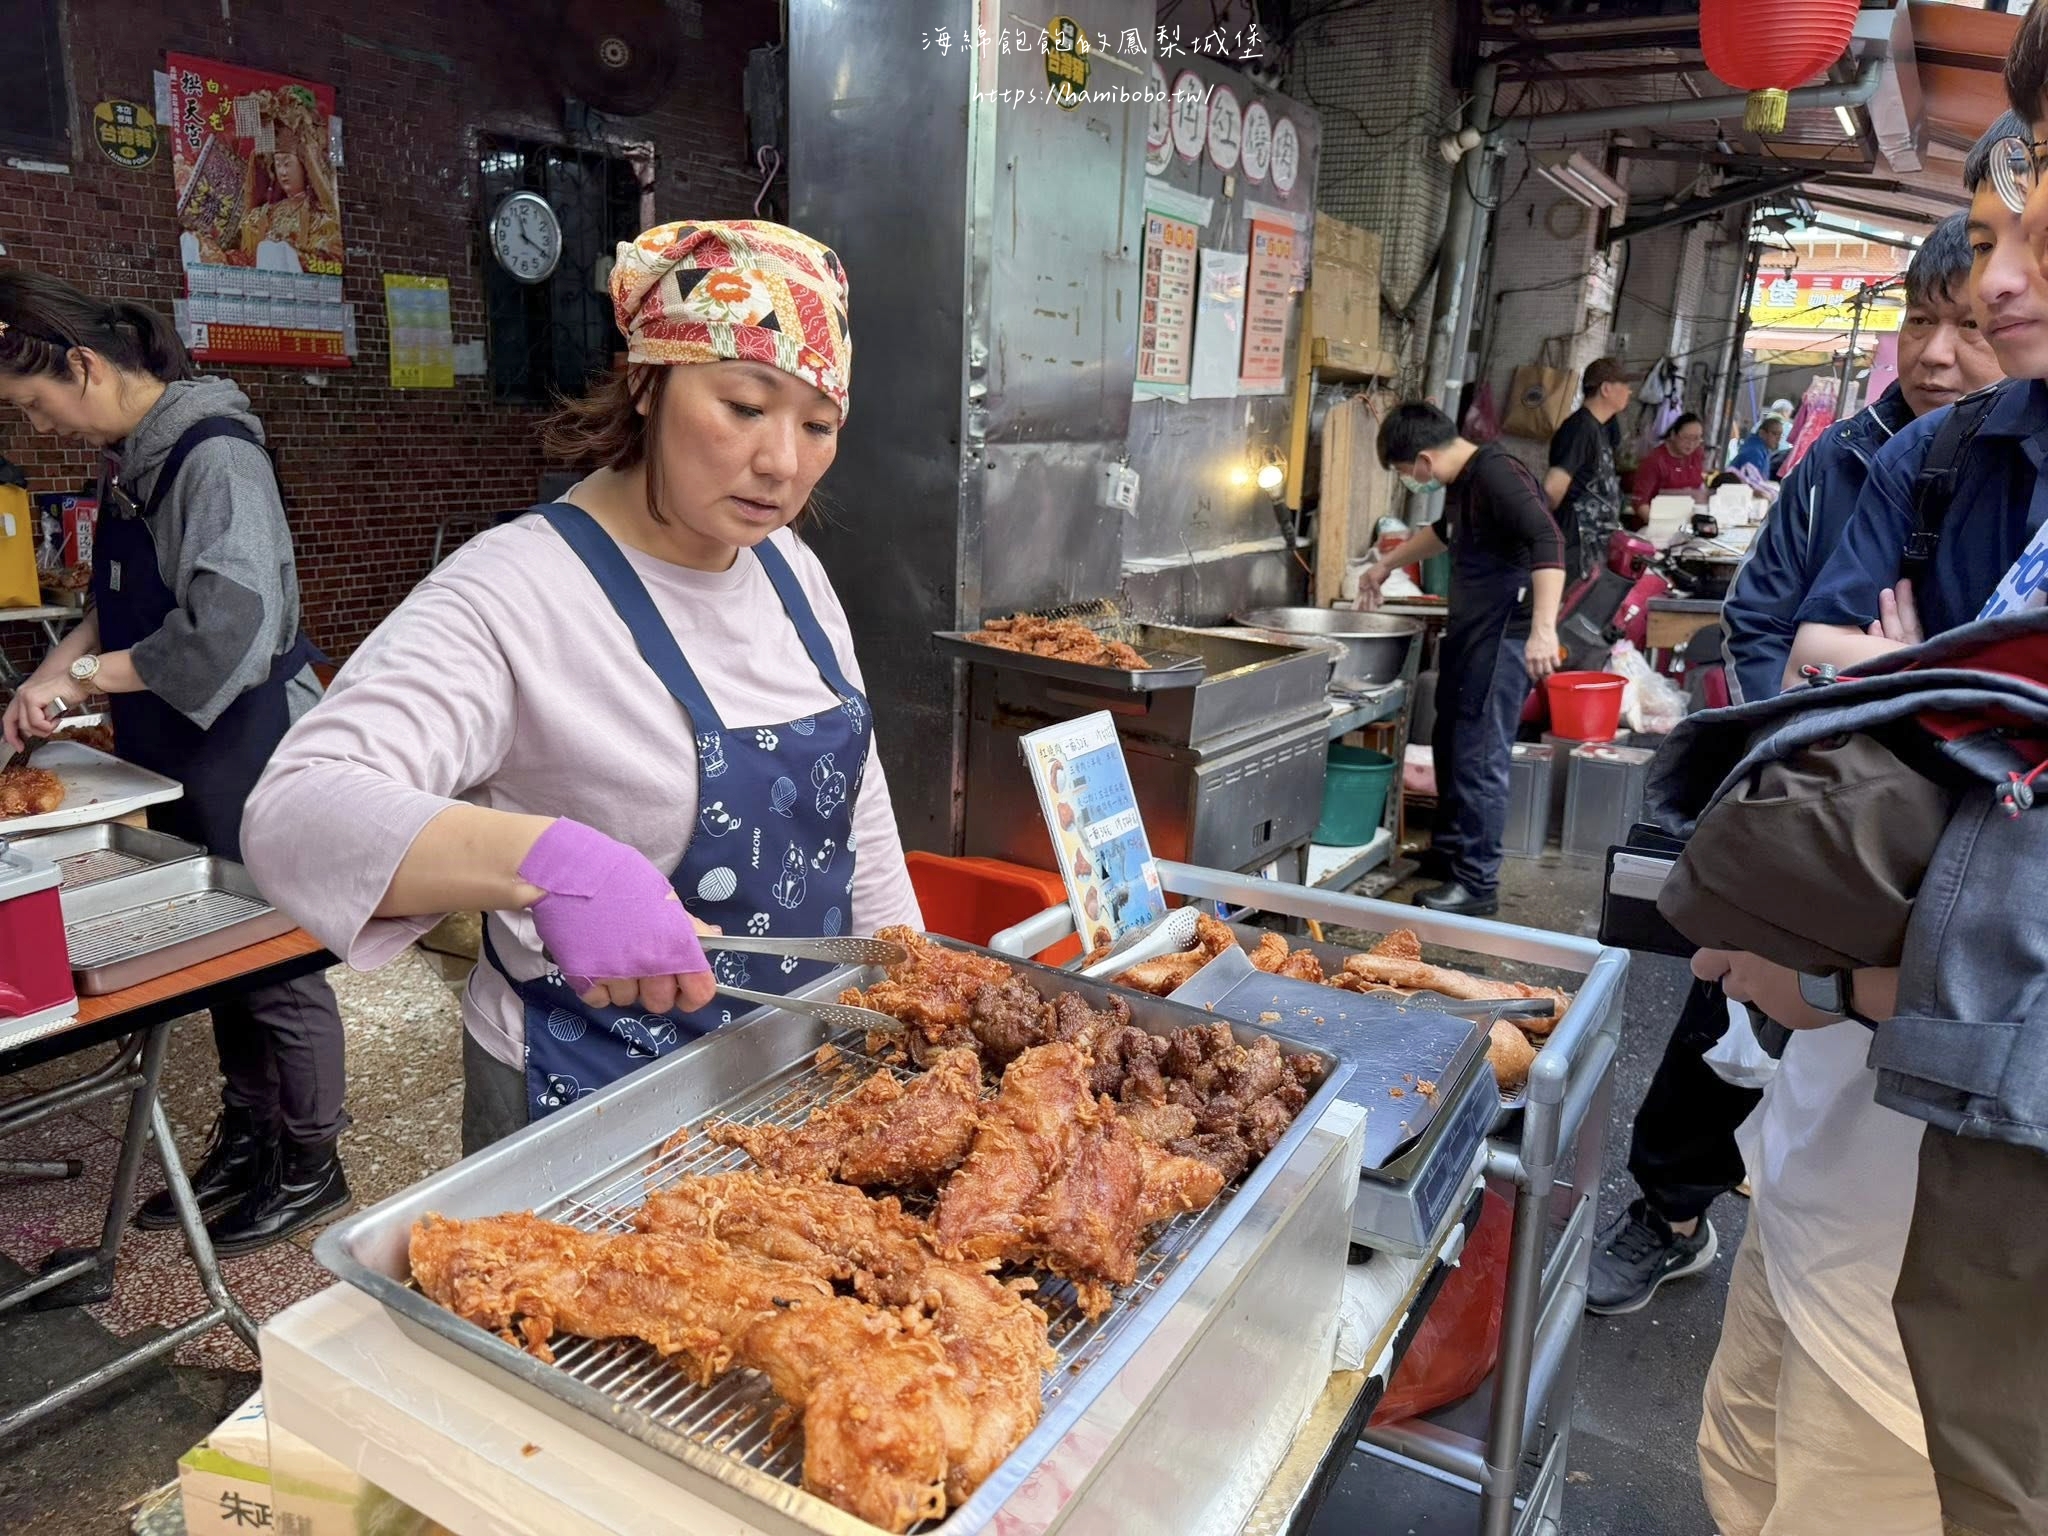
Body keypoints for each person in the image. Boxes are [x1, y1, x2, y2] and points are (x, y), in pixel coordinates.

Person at [241, 220, 923, 1153]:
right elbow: (297, 810)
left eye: (818, 426)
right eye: (744, 406)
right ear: (647, 382)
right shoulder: (515, 589)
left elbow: (861, 817)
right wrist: (552, 865)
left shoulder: (789, 569)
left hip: (802, 1077)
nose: (782, 464)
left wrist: (914, 997)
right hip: (595, 1094)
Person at [1688, 115, 2048, 1536]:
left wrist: (1836, 985)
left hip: (1962, 1284)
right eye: (1993, 237)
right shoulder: (1948, 460)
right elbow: (1808, 679)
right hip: (1819, 1160)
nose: (1998, 285)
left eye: (2033, 242)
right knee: (1740, 1476)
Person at [1584, 211, 2003, 1319]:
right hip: (1808, 786)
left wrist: (1892, 673)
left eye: (1967, 326)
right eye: (1918, 322)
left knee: (1879, 1056)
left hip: (1950, 838)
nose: (1934, 354)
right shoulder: (1852, 456)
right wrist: (1818, 731)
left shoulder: (2014, 478)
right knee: (1720, 994)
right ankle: (1669, 1213)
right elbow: (1775, 621)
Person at [0, 270, 346, 1256]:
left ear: (82, 365)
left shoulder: (214, 454)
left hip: (250, 738)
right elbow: (121, 599)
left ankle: (311, 1159)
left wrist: (82, 684)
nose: (40, 426)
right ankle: (250, 1133)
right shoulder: (131, 456)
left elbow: (227, 628)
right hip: (177, 744)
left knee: (275, 950)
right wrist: (54, 670)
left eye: (35, 404)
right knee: (216, 946)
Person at [1356, 403, 1563, 918]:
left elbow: (1548, 538)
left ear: (1424, 460)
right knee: (1451, 742)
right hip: (1473, 632)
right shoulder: (1465, 480)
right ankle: (1451, 852)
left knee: (1480, 757)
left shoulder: (1498, 474)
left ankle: (1477, 883)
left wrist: (1544, 629)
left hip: (1504, 636)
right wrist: (1384, 565)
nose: (1409, 480)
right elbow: (1445, 533)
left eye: (1404, 471)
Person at [1544, 356, 1634, 582]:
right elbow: (1553, 489)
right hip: (1574, 543)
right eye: (1624, 385)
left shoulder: (1599, 428)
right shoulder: (1579, 429)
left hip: (1592, 547)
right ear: (1606, 389)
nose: (1630, 392)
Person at [1628, 411, 1707, 514]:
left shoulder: (1697, 454)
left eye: (1696, 439)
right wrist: (1656, 521)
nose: (1691, 444)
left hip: (1687, 515)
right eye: (1686, 437)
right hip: (1658, 517)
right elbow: (1640, 502)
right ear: (1673, 435)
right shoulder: (1654, 461)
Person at [1728, 415, 1784, 481]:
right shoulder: (1754, 452)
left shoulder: (1759, 449)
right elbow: (1753, 483)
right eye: (1775, 433)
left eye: (1780, 434)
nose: (1778, 438)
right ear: (1762, 433)